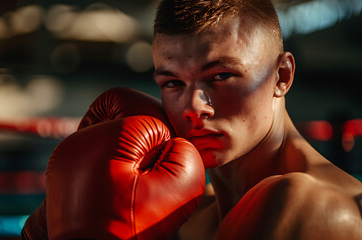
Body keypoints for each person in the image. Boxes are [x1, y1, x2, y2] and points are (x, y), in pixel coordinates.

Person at [152, 0, 362, 239]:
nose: (192, 107)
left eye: (221, 76)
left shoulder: (312, 205)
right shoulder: (192, 215)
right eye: (172, 83)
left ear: (282, 76)